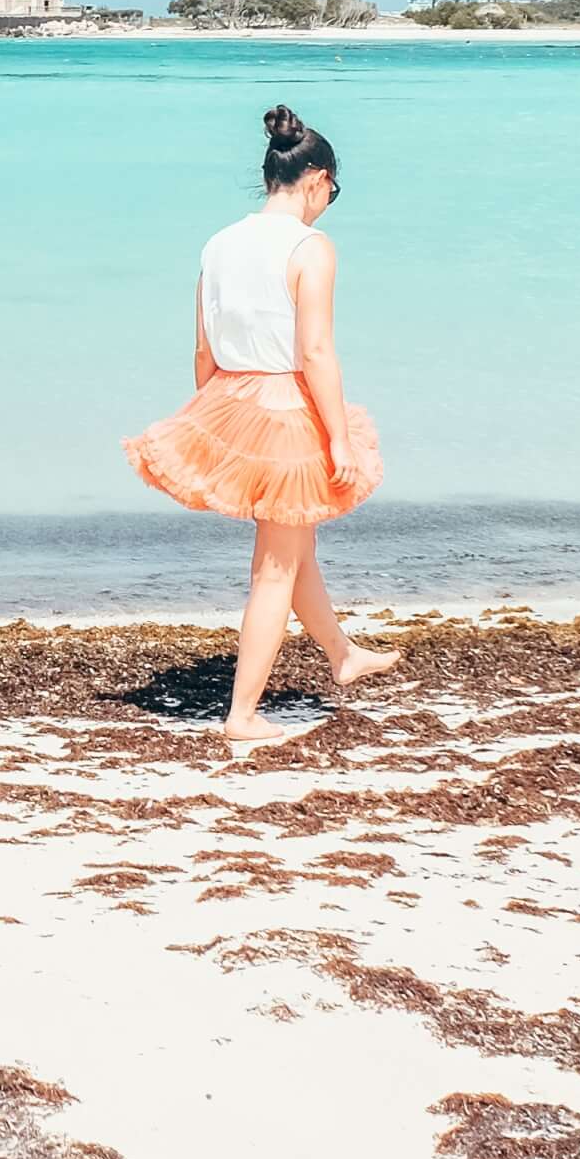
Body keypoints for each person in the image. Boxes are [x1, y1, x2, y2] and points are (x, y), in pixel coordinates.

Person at [123, 104, 396, 750]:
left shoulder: (217, 243)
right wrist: (335, 437)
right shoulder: (310, 247)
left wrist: (215, 426)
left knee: (294, 549)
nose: (329, 202)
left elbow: (201, 350)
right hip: (285, 407)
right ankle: (242, 714)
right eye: (332, 191)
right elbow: (316, 353)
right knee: (274, 566)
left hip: (230, 397)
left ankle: (341, 653)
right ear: (316, 179)